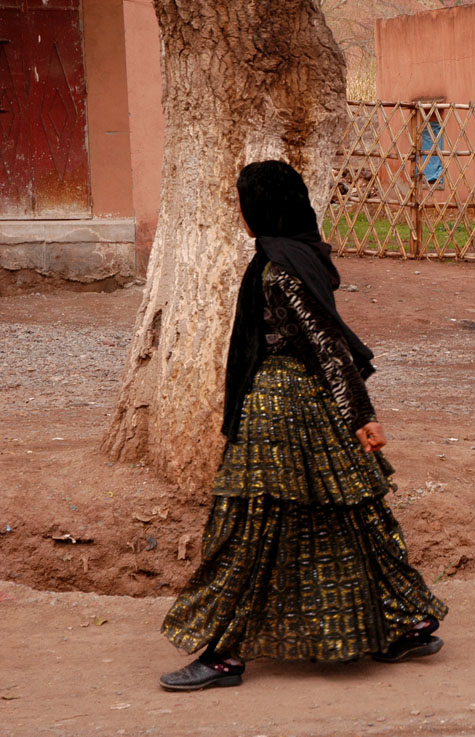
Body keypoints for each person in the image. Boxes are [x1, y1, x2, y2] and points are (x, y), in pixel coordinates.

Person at [158, 160, 447, 691]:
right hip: (309, 409)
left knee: (251, 529)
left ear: (260, 209)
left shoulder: (280, 268)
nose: (242, 215)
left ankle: (223, 655)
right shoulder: (304, 256)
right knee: (345, 519)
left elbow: (326, 345)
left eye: (244, 203)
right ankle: (406, 625)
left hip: (280, 414)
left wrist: (362, 414)